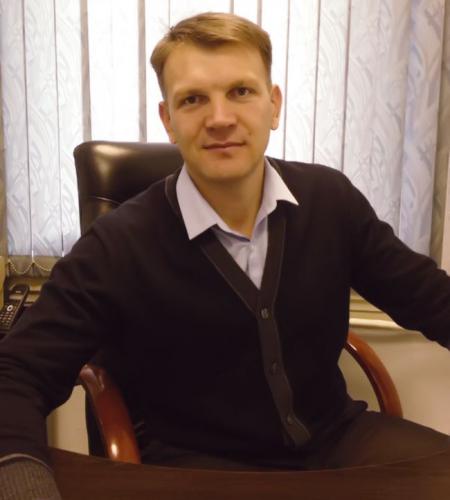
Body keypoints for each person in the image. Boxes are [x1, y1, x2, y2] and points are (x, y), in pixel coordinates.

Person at [0, 11, 449, 499]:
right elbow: (16, 373)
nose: (220, 118)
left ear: (273, 105)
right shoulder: (118, 245)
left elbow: (430, 299)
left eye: (241, 91)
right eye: (193, 99)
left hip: (337, 442)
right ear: (169, 120)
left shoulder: (330, 200)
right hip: (200, 467)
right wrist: (25, 485)